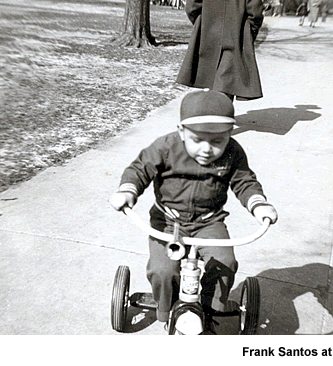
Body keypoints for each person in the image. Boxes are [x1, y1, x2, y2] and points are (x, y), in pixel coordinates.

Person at [109, 90, 277, 330]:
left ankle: (210, 310)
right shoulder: (165, 147)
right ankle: (164, 310)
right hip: (168, 221)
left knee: (225, 262)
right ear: (182, 132)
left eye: (217, 141)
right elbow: (140, 169)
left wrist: (259, 205)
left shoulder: (233, 152)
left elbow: (244, 181)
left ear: (229, 134)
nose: (207, 149)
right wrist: (127, 191)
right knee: (162, 270)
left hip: (209, 222)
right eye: (197, 140)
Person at [176, 0, 264, 103]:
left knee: (213, 84)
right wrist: (246, 35)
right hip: (235, 40)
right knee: (227, 86)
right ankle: (220, 121)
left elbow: (191, 7)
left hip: (207, 40)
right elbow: (255, 16)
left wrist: (203, 26)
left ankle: (215, 119)